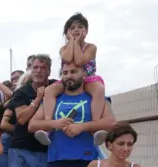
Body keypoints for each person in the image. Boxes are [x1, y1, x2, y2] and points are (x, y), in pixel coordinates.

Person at [38, 12, 107, 147]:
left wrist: (76, 42)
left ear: (86, 31)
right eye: (72, 27)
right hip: (69, 79)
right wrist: (72, 42)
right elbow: (68, 59)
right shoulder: (63, 48)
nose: (76, 30)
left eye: (80, 27)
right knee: (50, 90)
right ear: (67, 32)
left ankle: (95, 128)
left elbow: (80, 60)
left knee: (99, 89)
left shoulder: (91, 47)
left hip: (88, 78)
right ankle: (48, 128)